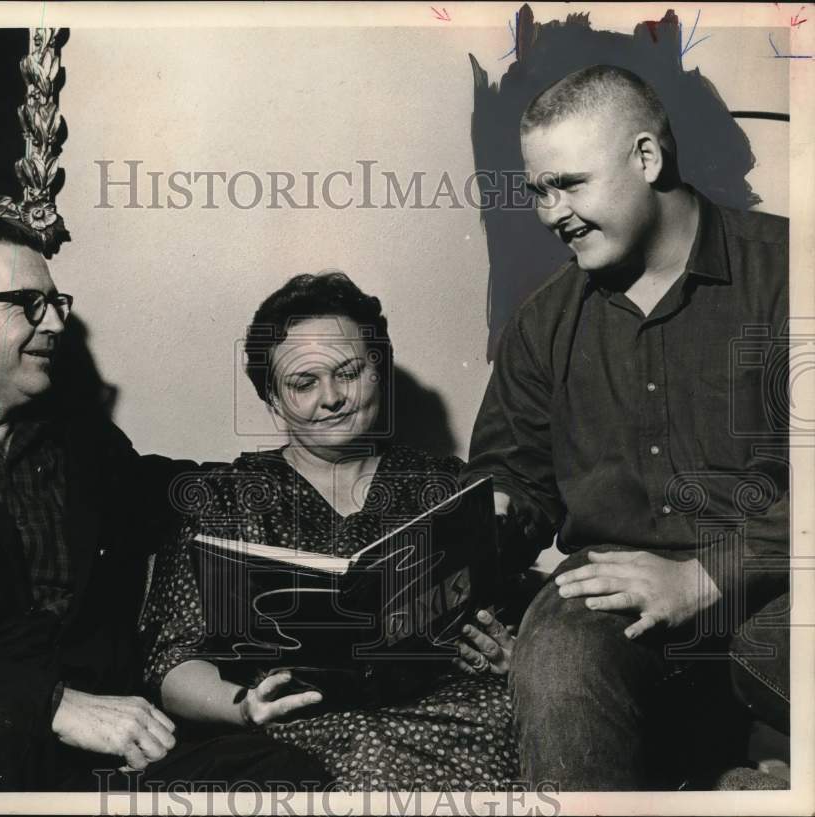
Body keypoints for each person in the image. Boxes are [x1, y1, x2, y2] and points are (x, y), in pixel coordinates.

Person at [0, 218, 327, 791]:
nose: (56, 323)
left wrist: (312, 455)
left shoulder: (82, 448)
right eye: (28, 304)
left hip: (114, 762)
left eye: (56, 302)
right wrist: (47, 704)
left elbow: (181, 490)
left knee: (282, 776)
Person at [464, 65, 790, 790]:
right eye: (539, 191)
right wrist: (491, 517)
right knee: (557, 660)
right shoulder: (542, 322)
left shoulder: (789, 275)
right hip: (612, 596)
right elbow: (510, 474)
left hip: (781, 582)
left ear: (647, 158)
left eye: (570, 184)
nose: (552, 214)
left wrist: (705, 576)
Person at [142, 271, 519, 791]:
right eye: (304, 383)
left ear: (377, 371)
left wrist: (501, 653)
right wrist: (244, 708)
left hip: (447, 708)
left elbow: (492, 609)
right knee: (363, 756)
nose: (332, 398)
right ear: (272, 399)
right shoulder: (224, 498)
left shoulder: (442, 483)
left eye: (349, 372)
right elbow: (173, 663)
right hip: (300, 728)